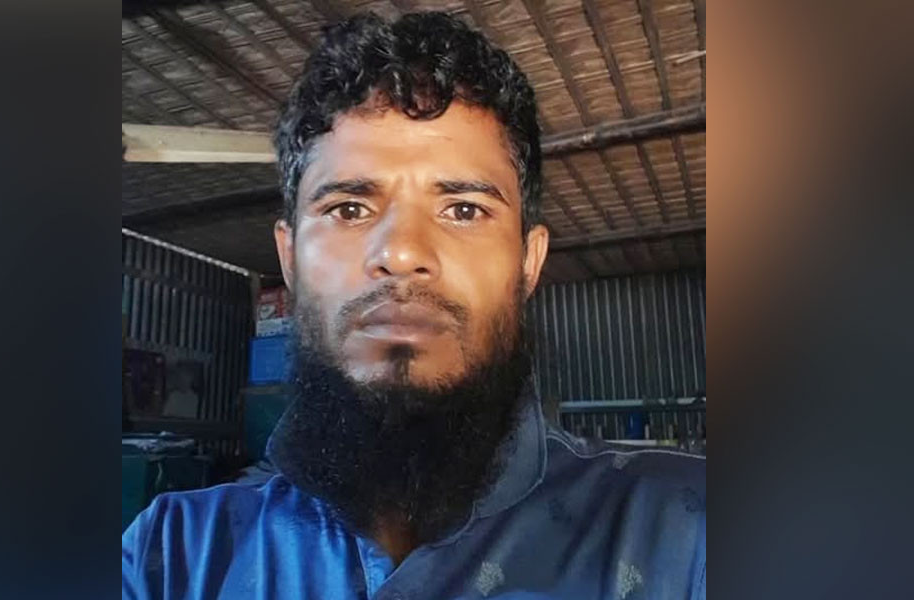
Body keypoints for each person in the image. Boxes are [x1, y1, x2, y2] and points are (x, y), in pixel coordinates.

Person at [123, 11, 705, 599]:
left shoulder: (690, 536)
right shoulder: (171, 556)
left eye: (464, 210)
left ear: (528, 262)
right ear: (290, 258)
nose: (401, 253)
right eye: (349, 209)